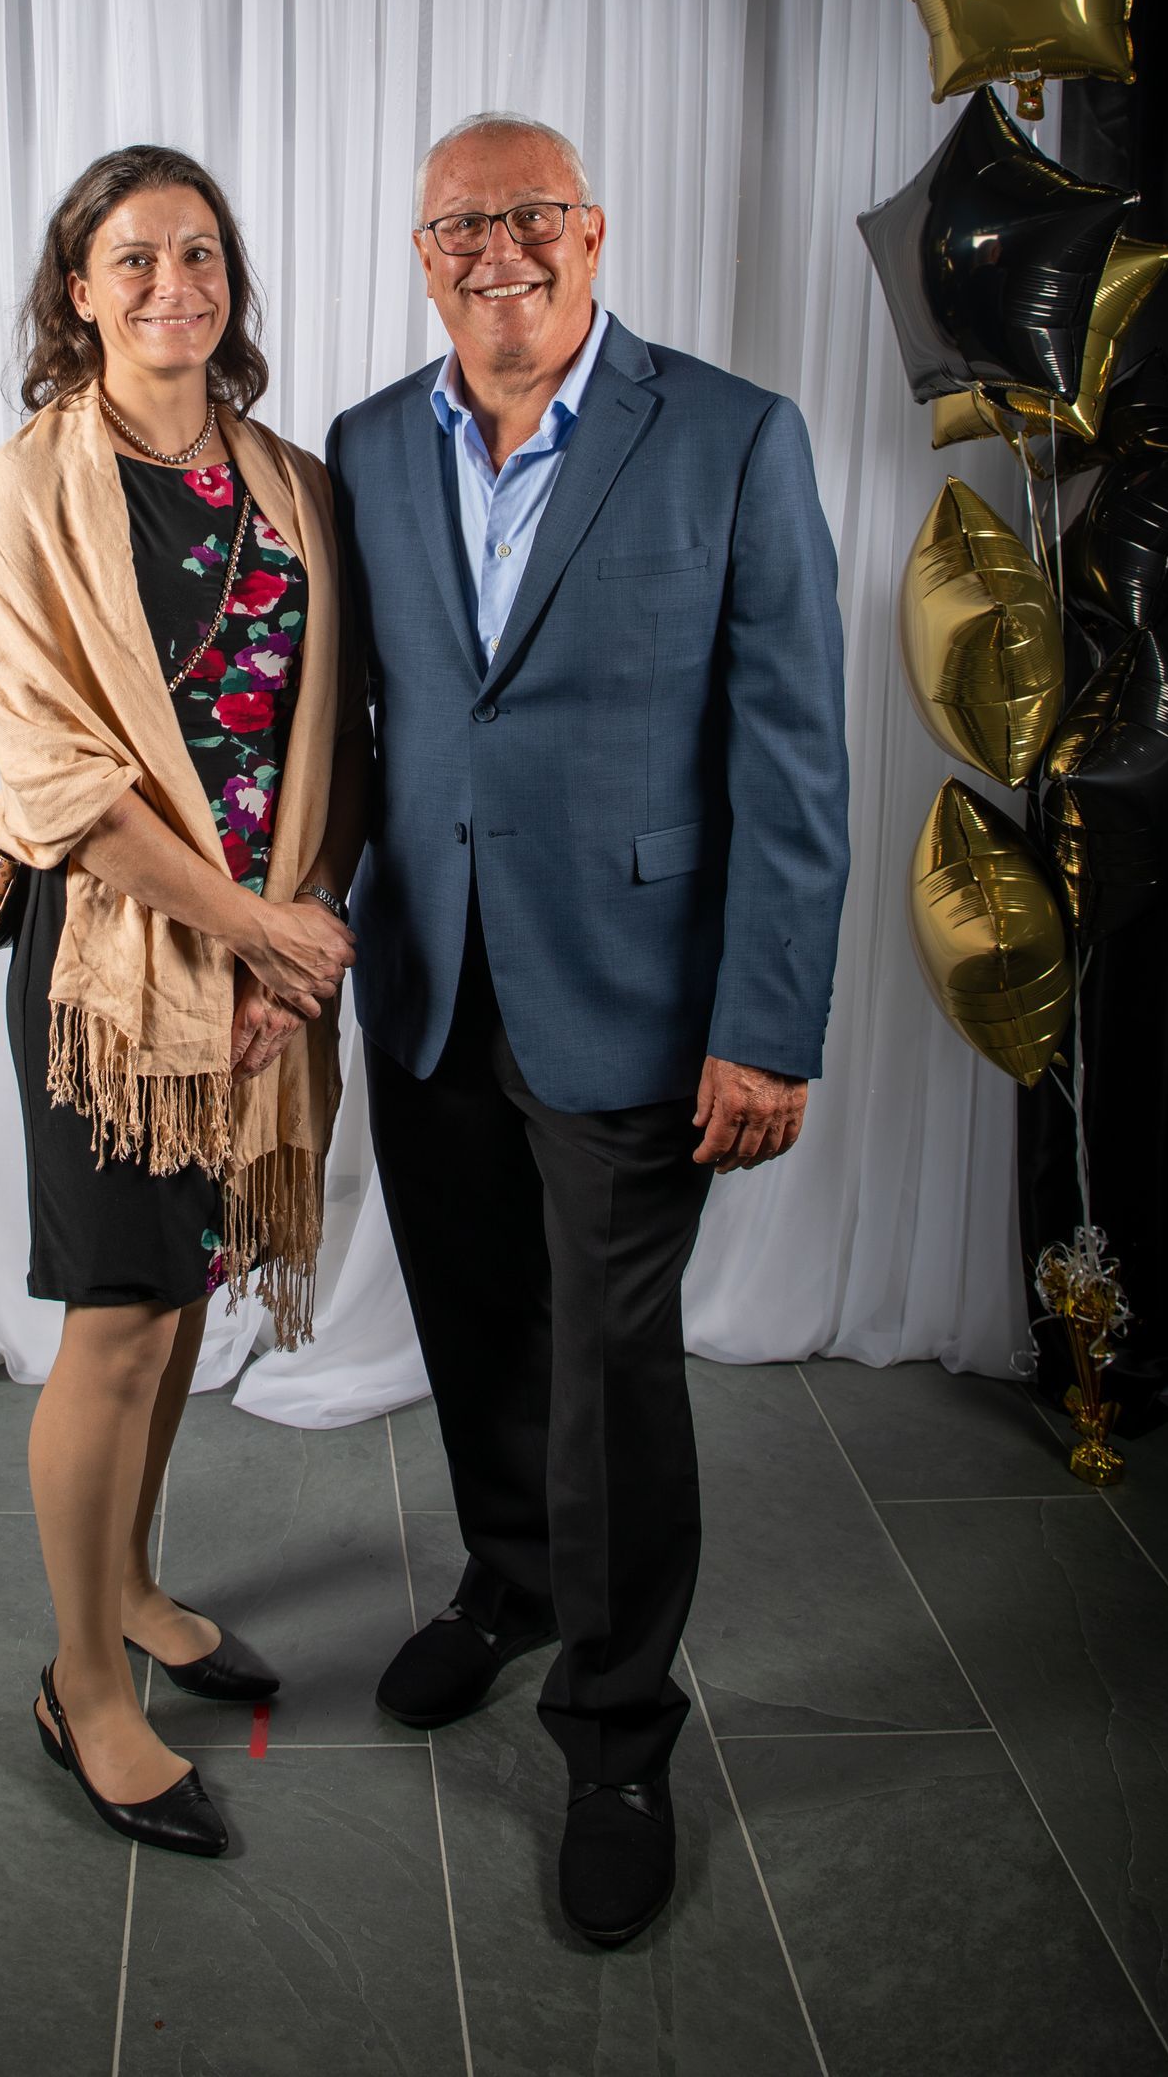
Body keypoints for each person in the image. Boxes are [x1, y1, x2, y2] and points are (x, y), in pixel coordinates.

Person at [326, 112, 848, 1945]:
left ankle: (620, 1735)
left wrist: (766, 1025)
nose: (500, 250)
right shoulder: (370, 445)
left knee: (614, 1368)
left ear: (596, 231)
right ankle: (512, 1580)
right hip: (429, 978)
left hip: (636, 992)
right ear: (422, 254)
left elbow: (792, 755)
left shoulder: (729, 434)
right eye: (461, 224)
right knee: (475, 1318)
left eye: (533, 214)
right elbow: (361, 728)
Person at [0, 145, 366, 1862]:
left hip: (269, 960)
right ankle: (80, 1685)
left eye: (201, 256)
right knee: (117, 1315)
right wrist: (255, 934)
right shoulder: (25, 491)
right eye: (134, 260)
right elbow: (58, 778)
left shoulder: (286, 477)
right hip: (115, 962)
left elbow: (340, 727)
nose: (172, 287)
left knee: (190, 1294)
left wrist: (304, 928)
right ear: (78, 290)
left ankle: (130, 1582)